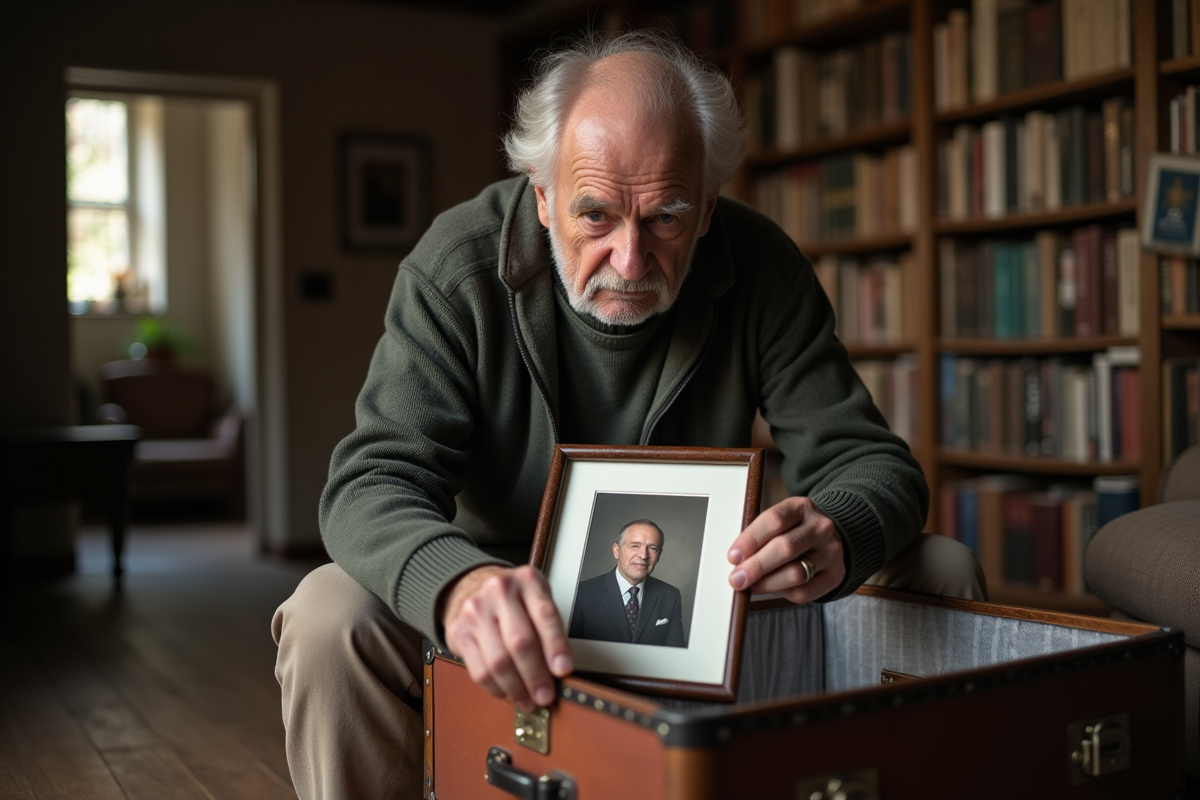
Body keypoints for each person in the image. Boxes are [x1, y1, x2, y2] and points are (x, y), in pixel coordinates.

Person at [272, 29, 985, 800]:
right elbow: (369, 482)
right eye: (596, 216)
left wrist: (838, 531)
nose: (631, 261)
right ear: (541, 197)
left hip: (709, 584)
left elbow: (874, 464)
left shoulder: (763, 266)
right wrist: (462, 587)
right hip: (505, 586)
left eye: (667, 219)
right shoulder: (457, 269)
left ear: (709, 208)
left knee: (940, 568)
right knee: (325, 613)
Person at [569, 519, 686, 647]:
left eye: (652, 548)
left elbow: (675, 653)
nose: (643, 555)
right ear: (616, 551)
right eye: (635, 546)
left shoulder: (671, 595)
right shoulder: (582, 593)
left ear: (659, 556)